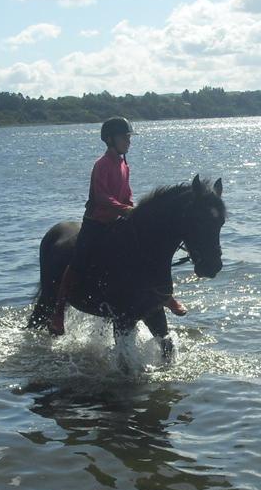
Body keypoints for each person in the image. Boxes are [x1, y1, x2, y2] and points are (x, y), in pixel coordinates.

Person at [49, 117, 186, 335]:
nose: (128, 142)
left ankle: (164, 295)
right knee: (78, 261)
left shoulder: (124, 164)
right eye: (125, 137)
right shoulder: (101, 165)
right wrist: (124, 209)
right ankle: (58, 312)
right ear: (110, 139)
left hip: (118, 219)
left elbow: (127, 193)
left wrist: (133, 209)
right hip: (97, 223)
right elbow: (102, 197)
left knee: (145, 251)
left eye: (129, 137)